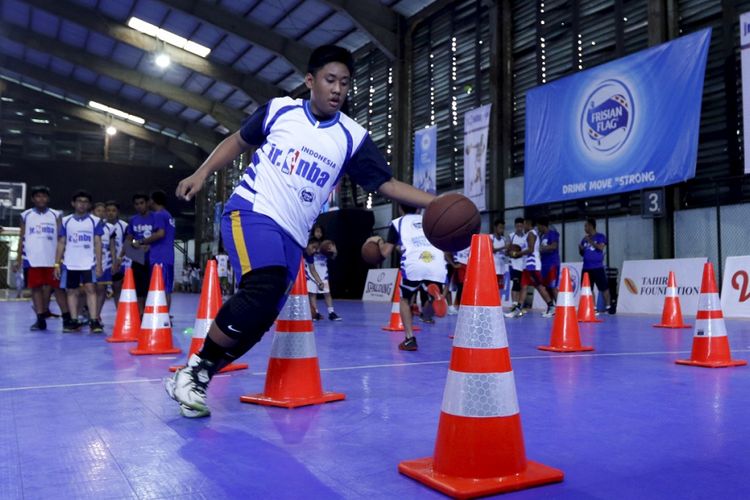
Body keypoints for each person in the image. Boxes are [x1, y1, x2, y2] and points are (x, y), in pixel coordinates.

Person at [165, 45, 434, 417]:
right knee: (263, 285)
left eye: (344, 83)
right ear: (310, 81)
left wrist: (435, 204)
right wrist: (202, 172)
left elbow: (386, 184)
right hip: (252, 210)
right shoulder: (281, 111)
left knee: (259, 320)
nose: (338, 89)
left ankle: (196, 374)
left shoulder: (352, 138)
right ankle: (195, 369)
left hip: (293, 236)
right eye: (330, 80)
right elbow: (238, 141)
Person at [370, 204, 447, 350]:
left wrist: (378, 241)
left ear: (400, 208)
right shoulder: (428, 220)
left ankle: (409, 338)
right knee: (426, 312)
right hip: (436, 262)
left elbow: (385, 252)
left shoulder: (397, 222)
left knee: (404, 300)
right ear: (418, 209)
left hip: (414, 264)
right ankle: (433, 296)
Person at [14, 186, 70, 330]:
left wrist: (61, 258)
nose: (41, 199)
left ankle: (67, 318)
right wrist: (18, 258)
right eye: (38, 196)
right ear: (32, 199)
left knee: (58, 289)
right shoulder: (25, 215)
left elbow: (61, 238)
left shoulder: (56, 215)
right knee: (36, 288)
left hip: (52, 259)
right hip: (32, 258)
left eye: (44, 196)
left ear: (48, 199)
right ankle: (40, 319)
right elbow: (22, 237)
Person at [55, 190, 104, 332]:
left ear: (89, 205)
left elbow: (98, 243)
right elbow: (61, 242)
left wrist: (99, 265)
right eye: (79, 201)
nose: (82, 204)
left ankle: (94, 321)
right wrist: (56, 263)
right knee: (71, 291)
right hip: (70, 263)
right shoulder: (66, 221)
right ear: (73, 203)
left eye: (85, 202)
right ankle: (74, 320)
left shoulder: (95, 221)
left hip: (89, 262)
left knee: (91, 290)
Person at [517, 217, 555, 318]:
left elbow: (530, 249)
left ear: (528, 223)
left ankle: (551, 306)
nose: (523, 226)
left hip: (532, 265)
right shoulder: (529, 234)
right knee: (523, 286)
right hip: (527, 265)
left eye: (524, 224)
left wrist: (518, 253)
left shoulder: (531, 233)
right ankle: (518, 308)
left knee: (539, 287)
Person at [123, 194, 154, 315]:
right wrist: (122, 255)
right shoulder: (133, 220)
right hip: (137, 257)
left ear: (147, 203)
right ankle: (140, 313)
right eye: (137, 204)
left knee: (150, 287)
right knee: (139, 289)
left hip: (152, 257)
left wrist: (150, 245)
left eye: (142, 203)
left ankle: (149, 312)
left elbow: (160, 236)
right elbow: (129, 239)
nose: (139, 206)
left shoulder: (155, 218)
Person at [307, 225, 341, 321]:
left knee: (326, 292)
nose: (319, 233)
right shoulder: (310, 243)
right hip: (311, 269)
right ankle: (315, 313)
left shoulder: (327, 244)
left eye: (320, 232)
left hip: (323, 271)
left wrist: (334, 252)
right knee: (313, 293)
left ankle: (331, 312)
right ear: (313, 232)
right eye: (317, 231)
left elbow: (333, 257)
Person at [148, 190, 176, 310]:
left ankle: (162, 314)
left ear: (153, 201)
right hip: (168, 256)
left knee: (160, 287)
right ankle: (165, 314)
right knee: (166, 288)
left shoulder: (159, 215)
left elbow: (160, 233)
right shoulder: (168, 215)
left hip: (160, 257)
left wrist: (144, 241)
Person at [579, 218, 613, 314]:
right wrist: (581, 249)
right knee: (588, 288)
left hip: (597, 267)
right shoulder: (584, 239)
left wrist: (590, 241)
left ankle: (608, 307)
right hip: (586, 268)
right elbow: (582, 253)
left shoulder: (600, 236)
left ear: (591, 226)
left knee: (603, 287)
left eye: (586, 226)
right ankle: (593, 308)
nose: (585, 228)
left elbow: (600, 248)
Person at [92, 202, 117, 325]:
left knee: (101, 289)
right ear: (93, 212)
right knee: (87, 289)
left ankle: (96, 315)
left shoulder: (110, 228)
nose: (101, 213)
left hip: (105, 263)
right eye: (98, 211)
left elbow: (112, 246)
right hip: (89, 263)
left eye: (103, 211)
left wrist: (114, 261)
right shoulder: (88, 225)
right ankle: (86, 313)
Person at [105, 201, 129, 305]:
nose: (111, 213)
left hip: (119, 263)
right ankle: (95, 316)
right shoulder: (100, 225)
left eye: (113, 210)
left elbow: (130, 242)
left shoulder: (124, 226)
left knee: (117, 289)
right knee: (100, 290)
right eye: (108, 210)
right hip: (104, 264)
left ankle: (119, 313)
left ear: (118, 212)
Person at [504, 218, 528, 318]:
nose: (519, 228)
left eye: (520, 226)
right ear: (515, 226)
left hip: (524, 264)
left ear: (523, 226)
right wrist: (511, 253)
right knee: (515, 284)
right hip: (514, 264)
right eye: (517, 226)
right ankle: (514, 304)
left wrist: (519, 253)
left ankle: (520, 306)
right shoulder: (511, 236)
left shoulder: (527, 237)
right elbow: (506, 251)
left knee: (523, 285)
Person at [538, 217, 560, 304]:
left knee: (553, 286)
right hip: (544, 264)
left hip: (552, 264)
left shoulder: (553, 234)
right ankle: (552, 307)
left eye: (539, 226)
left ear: (543, 226)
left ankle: (560, 307)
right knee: (546, 287)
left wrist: (543, 248)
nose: (538, 228)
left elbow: (554, 246)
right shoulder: (541, 236)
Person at [490, 219, 508, 293]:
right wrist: (504, 247)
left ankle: (496, 303)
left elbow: (505, 253)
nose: (502, 230)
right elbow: (492, 250)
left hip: (501, 268)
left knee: (499, 288)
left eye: (503, 228)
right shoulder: (490, 237)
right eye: (500, 227)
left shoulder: (504, 239)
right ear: (495, 228)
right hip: (493, 268)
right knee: (492, 287)